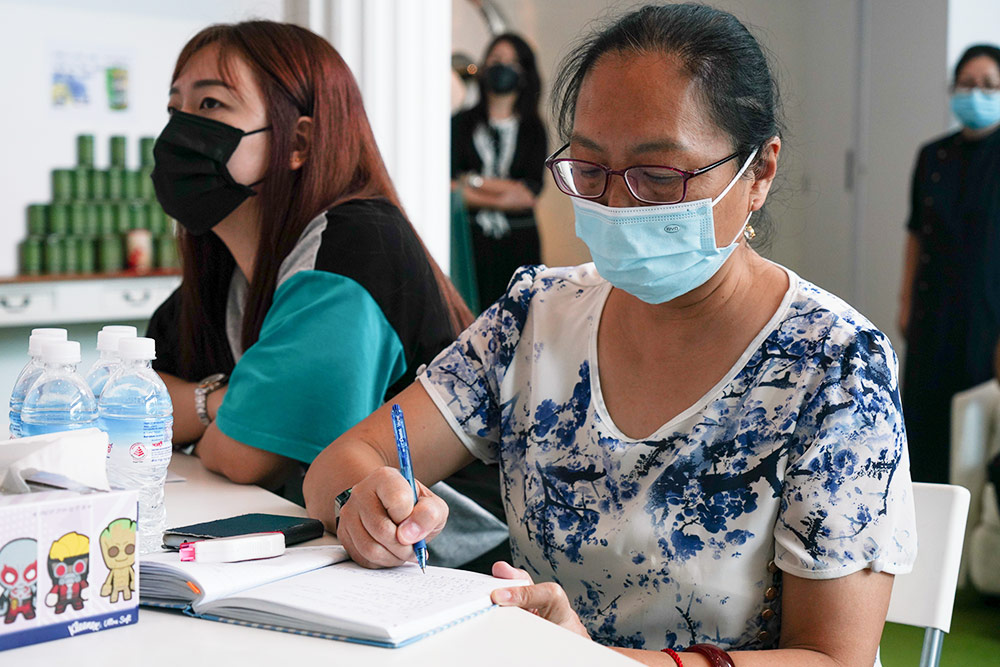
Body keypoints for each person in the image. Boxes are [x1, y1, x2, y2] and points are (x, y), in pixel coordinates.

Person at [304, 4, 916, 666]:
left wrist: (597, 660)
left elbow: (834, 657)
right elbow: (343, 462)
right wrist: (365, 504)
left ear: (759, 172)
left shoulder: (833, 366)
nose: (618, 206)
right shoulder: (535, 317)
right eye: (590, 171)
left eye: (659, 177)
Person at [145, 21, 509, 571]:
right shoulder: (232, 274)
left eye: (212, 105)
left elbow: (245, 457)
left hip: (450, 565)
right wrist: (223, 404)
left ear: (298, 142)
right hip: (327, 557)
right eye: (176, 109)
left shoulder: (355, 245)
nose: (180, 130)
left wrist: (202, 407)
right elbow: (134, 396)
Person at [898, 43, 1000, 484]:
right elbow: (916, 233)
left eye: (988, 85)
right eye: (967, 83)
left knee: (971, 442)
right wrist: (904, 300)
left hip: (986, 317)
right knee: (922, 428)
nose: (976, 93)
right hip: (931, 314)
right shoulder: (933, 156)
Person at [451, 33, 547, 310]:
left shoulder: (533, 130)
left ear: (525, 72)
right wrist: (507, 195)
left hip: (519, 246)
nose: (502, 66)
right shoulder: (460, 124)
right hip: (470, 244)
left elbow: (529, 194)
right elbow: (450, 188)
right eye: (495, 59)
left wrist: (473, 183)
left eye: (511, 62)